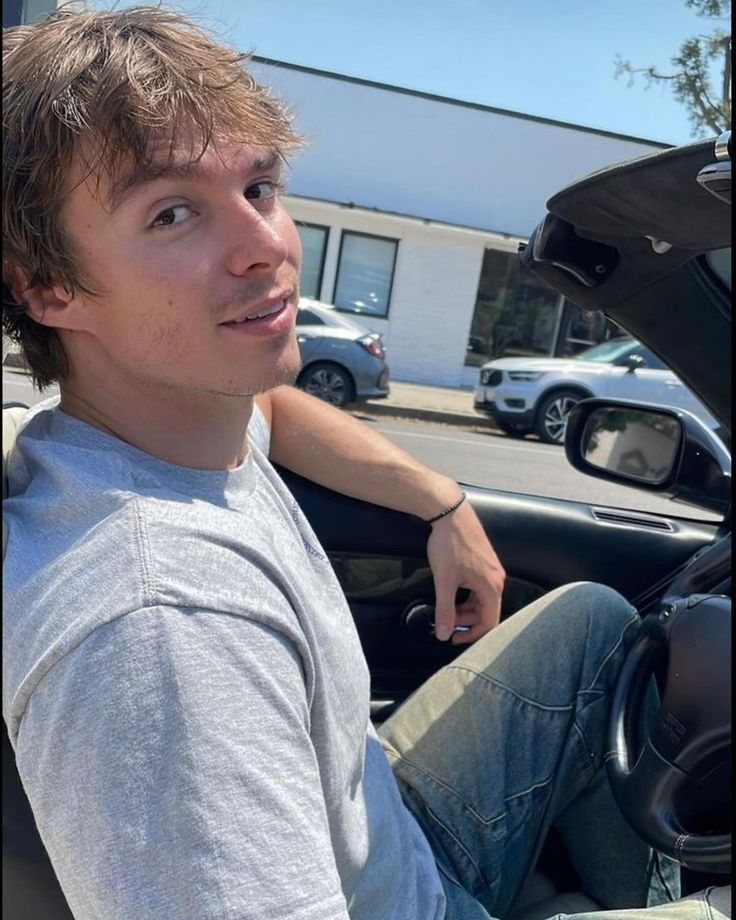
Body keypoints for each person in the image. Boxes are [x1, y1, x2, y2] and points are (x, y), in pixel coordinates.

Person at [1, 8, 728, 920]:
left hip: (387, 838)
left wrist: (443, 506)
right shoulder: (161, 628)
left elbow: (274, 406)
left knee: (593, 622)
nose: (264, 245)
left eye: (259, 187)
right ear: (48, 285)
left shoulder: (178, 417)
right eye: (173, 212)